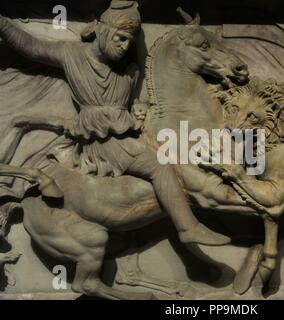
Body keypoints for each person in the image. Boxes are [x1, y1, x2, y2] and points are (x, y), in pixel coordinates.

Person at [0, 1, 229, 246]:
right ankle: (188, 227)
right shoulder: (72, 54)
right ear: (104, 30)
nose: (125, 45)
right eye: (120, 38)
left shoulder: (129, 70)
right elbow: (31, 47)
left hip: (126, 132)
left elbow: (137, 98)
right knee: (159, 166)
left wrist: (140, 105)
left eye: (130, 40)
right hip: (103, 138)